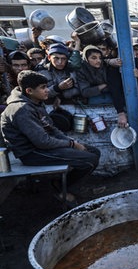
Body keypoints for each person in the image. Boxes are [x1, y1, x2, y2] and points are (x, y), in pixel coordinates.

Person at [0, 70, 100, 207]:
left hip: (42, 147)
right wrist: (71, 144)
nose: (48, 90)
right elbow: (42, 142)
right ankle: (60, 188)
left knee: (94, 152)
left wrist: (72, 142)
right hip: (31, 153)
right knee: (90, 159)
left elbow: (50, 128)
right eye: (43, 88)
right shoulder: (21, 109)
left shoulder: (34, 101)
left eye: (46, 86)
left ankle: (61, 185)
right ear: (29, 90)